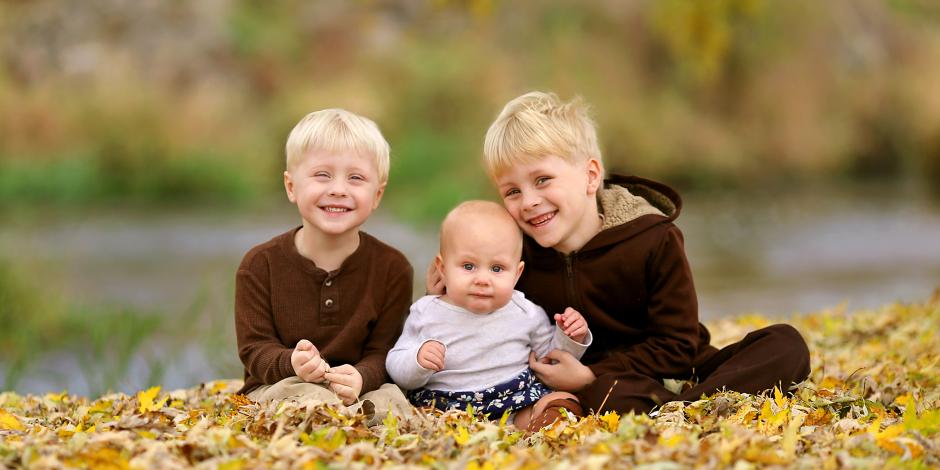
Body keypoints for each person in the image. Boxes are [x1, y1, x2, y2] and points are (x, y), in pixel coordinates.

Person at [430, 91, 811, 415]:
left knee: (785, 344)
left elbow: (677, 345)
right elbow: (486, 323)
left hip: (673, 368)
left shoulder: (653, 238)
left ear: (591, 176)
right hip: (584, 381)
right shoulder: (512, 256)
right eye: (512, 191)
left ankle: (685, 402)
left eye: (542, 180)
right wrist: (448, 298)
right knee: (605, 394)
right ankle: (674, 404)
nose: (529, 201)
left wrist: (594, 374)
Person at [234, 108, 414, 425]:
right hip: (279, 384)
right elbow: (254, 349)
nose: (338, 189)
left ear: (377, 195)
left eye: (355, 178)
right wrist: (292, 362)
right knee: (310, 399)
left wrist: (361, 377)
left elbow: (385, 352)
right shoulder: (259, 265)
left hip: (359, 389)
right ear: (291, 187)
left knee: (391, 403)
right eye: (322, 175)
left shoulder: (393, 268)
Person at [387, 200, 593, 430]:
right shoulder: (427, 311)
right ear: (443, 269)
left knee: (560, 401)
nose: (483, 280)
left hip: (515, 401)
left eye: (497, 269)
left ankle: (540, 433)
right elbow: (396, 364)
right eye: (468, 266)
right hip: (448, 407)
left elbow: (551, 360)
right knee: (419, 418)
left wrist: (570, 336)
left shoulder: (525, 311)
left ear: (516, 274)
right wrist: (417, 360)